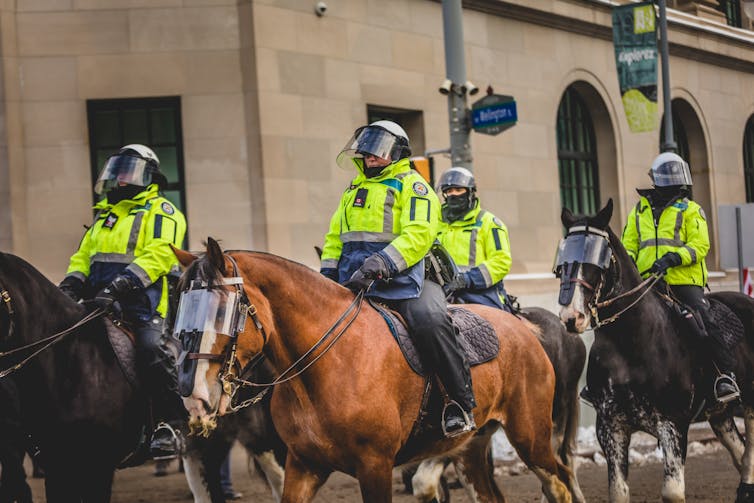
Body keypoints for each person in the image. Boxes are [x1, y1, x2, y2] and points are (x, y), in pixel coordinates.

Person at [320, 120, 476, 435]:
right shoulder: (352, 191)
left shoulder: (413, 185)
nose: (370, 155)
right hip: (355, 284)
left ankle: (458, 402)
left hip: (405, 284)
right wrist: (326, 276)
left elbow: (419, 234)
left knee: (430, 321)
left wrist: (382, 263)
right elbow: (335, 237)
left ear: (397, 151)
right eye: (367, 148)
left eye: (378, 148)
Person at [58, 144, 189, 458]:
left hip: (143, 306)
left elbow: (160, 254)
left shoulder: (162, 212)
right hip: (97, 304)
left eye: (128, 172)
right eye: (116, 172)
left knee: (151, 351)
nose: (120, 180)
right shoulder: (105, 215)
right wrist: (72, 282)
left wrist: (120, 285)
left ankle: (171, 423)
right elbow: (83, 256)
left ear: (148, 175)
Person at [621, 151, 739, 403]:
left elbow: (700, 245)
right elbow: (628, 244)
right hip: (646, 280)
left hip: (684, 281)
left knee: (703, 320)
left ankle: (724, 375)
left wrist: (673, 258)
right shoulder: (639, 211)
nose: (679, 184)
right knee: (620, 320)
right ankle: (610, 379)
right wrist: (629, 262)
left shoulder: (691, 210)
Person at [436, 167, 513, 311]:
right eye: (448, 191)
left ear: (470, 192)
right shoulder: (435, 223)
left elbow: (501, 261)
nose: (453, 195)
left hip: (480, 292)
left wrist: (468, 279)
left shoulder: (490, 223)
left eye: (458, 190)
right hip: (443, 291)